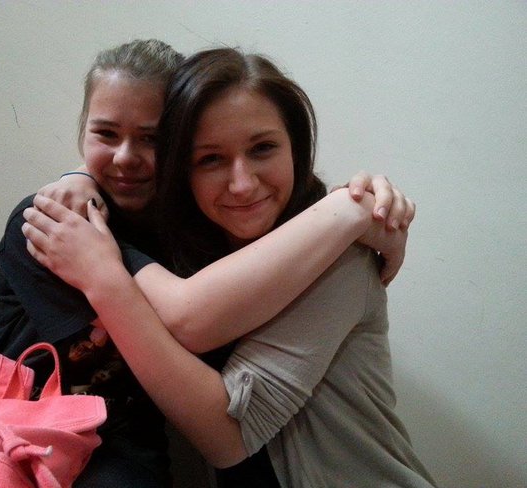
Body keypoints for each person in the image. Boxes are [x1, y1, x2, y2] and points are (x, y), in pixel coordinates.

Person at [22, 47, 436, 487]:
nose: (242, 184)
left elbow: (229, 434)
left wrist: (350, 211)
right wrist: (81, 176)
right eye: (211, 159)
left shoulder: (339, 258)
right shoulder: (189, 247)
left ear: (295, 148)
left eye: (263, 148)